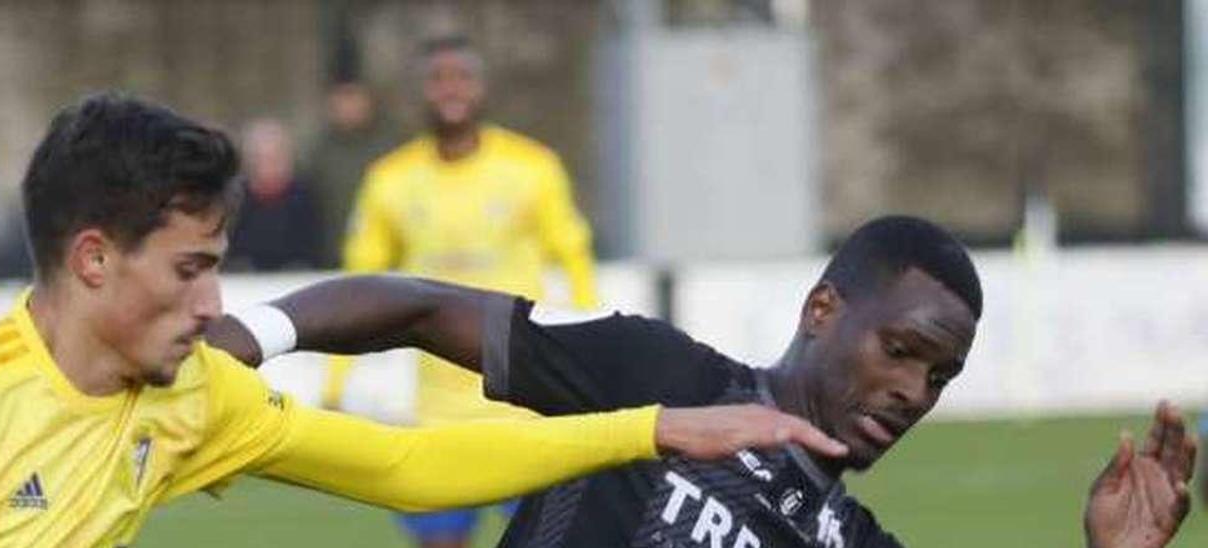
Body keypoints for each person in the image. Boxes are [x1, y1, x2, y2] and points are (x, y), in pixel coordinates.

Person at [0, 93, 850, 546]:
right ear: (94, 258)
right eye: (189, 271)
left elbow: (407, 468)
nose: (212, 305)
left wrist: (654, 429)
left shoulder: (191, 398)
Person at [208, 216, 1197, 548]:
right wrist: (253, 332)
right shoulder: (654, 372)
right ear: (821, 310)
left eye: (937, 374)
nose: (911, 388)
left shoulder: (848, 540)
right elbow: (419, 303)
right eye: (899, 348)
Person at [324, 35, 601, 548]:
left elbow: (575, 258)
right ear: (419, 92)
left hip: (526, 404)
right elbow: (358, 279)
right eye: (437, 79)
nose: (451, 89)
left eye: (462, 77)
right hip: (438, 416)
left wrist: (588, 358)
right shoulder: (390, 179)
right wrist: (336, 383)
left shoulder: (532, 166)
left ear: (482, 87)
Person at [302, 81, 398, 268]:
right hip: (333, 253)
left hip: (385, 255)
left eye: (354, 99)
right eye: (342, 101)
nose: (348, 108)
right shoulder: (320, 151)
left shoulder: (390, 145)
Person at [227, 118, 323, 271]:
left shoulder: (305, 198)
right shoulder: (234, 200)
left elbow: (315, 250)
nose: (268, 167)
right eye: (261, 158)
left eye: (275, 158)